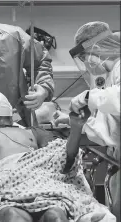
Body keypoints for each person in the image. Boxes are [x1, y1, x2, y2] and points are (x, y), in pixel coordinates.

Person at [0, 92, 115, 222]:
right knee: (12, 216)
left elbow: (60, 156)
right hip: (5, 187)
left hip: (42, 181)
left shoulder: (32, 131)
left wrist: (76, 128)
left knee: (55, 215)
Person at [54, 22, 120, 222]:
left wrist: (88, 96)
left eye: (84, 57)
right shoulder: (112, 75)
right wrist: (77, 121)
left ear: (97, 47)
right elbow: (112, 123)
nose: (86, 64)